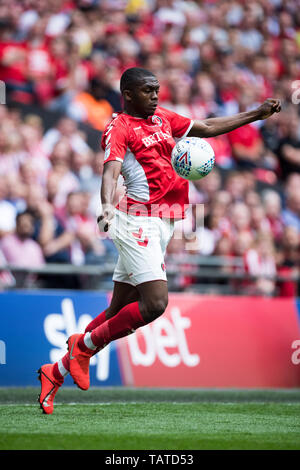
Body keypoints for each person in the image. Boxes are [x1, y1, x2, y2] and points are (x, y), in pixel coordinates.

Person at [37, 67, 281, 414]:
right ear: (128, 94)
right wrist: (106, 207)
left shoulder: (163, 118)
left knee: (119, 309)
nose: (155, 95)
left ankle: (55, 372)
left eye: (157, 90)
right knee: (155, 303)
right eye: (148, 90)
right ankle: (84, 348)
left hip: (163, 223)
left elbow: (208, 127)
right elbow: (110, 170)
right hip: (135, 220)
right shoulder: (118, 127)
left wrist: (256, 113)